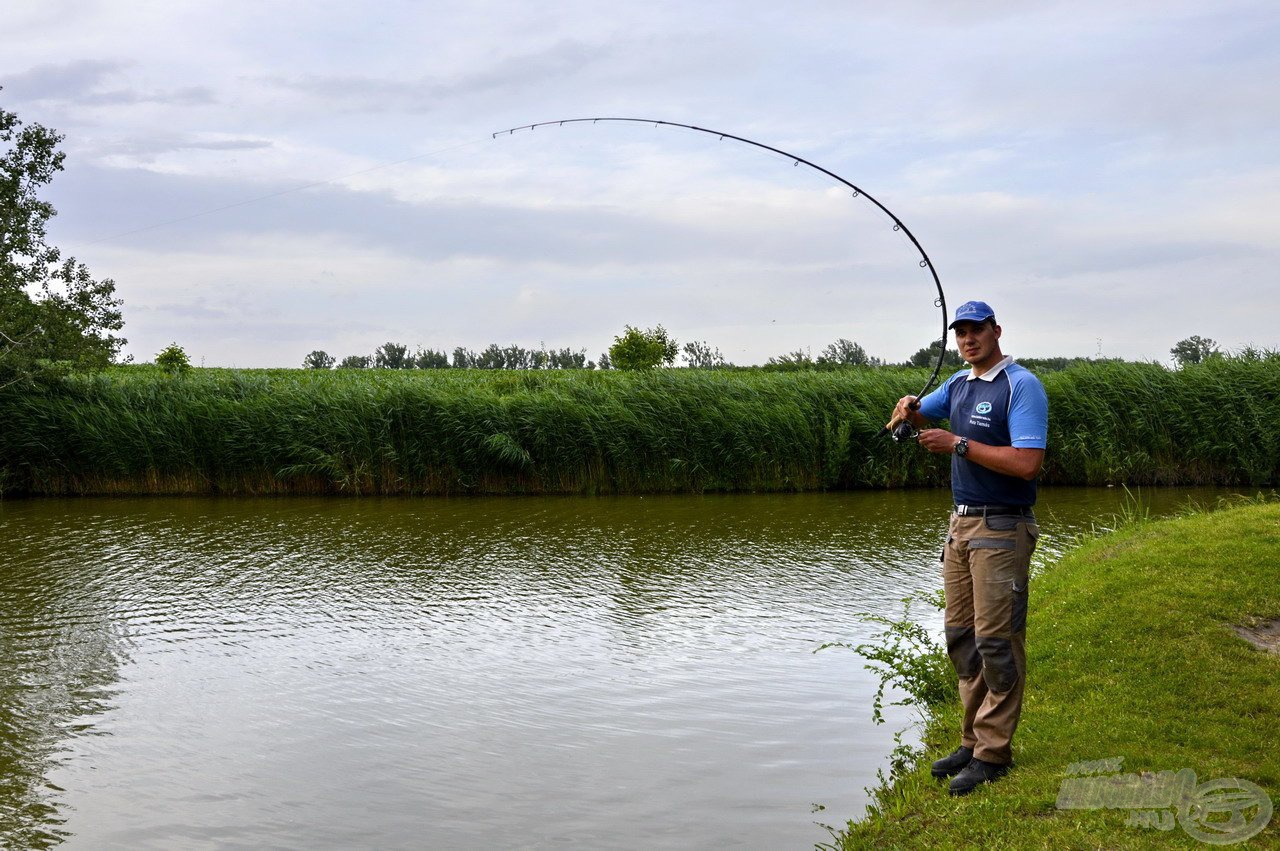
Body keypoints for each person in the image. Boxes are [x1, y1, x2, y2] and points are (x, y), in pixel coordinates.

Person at [889, 299, 1048, 797]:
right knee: (962, 637)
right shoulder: (957, 385)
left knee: (997, 641)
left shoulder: (1021, 385)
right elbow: (917, 425)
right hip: (959, 529)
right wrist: (907, 412)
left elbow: (1026, 464)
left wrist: (957, 443)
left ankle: (994, 753)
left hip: (1002, 529)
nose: (967, 339)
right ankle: (970, 741)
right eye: (960, 332)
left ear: (996, 330)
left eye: (976, 330)